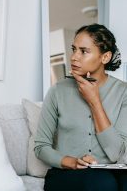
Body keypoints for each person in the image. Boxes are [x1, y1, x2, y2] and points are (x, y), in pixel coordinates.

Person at [34, 23, 127, 191]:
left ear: (105, 57)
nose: (74, 57)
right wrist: (72, 162)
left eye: (83, 51)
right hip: (67, 174)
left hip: (111, 172)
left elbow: (116, 154)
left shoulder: (123, 93)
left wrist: (94, 101)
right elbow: (41, 147)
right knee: (103, 184)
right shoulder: (58, 91)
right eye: (74, 49)